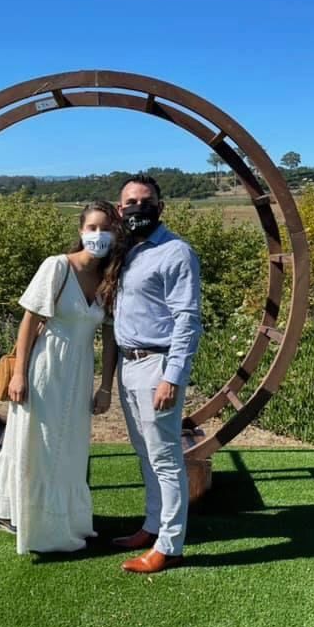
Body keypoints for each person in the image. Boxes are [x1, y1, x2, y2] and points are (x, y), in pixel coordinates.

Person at [0, 201, 122, 554]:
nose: (98, 235)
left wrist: (106, 386)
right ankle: (15, 515)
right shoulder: (57, 266)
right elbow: (29, 321)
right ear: (80, 231)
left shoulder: (110, 276)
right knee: (37, 443)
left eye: (105, 228)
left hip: (79, 372)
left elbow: (109, 337)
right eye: (92, 227)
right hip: (46, 367)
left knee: (71, 447)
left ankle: (64, 520)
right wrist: (19, 375)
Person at [111, 174, 202, 573]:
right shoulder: (127, 251)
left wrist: (173, 376)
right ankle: (151, 526)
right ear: (120, 209)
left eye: (146, 201)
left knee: (166, 459)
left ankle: (171, 545)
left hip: (157, 366)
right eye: (130, 202)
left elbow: (187, 319)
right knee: (145, 453)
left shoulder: (175, 252)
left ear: (160, 207)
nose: (137, 208)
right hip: (128, 366)